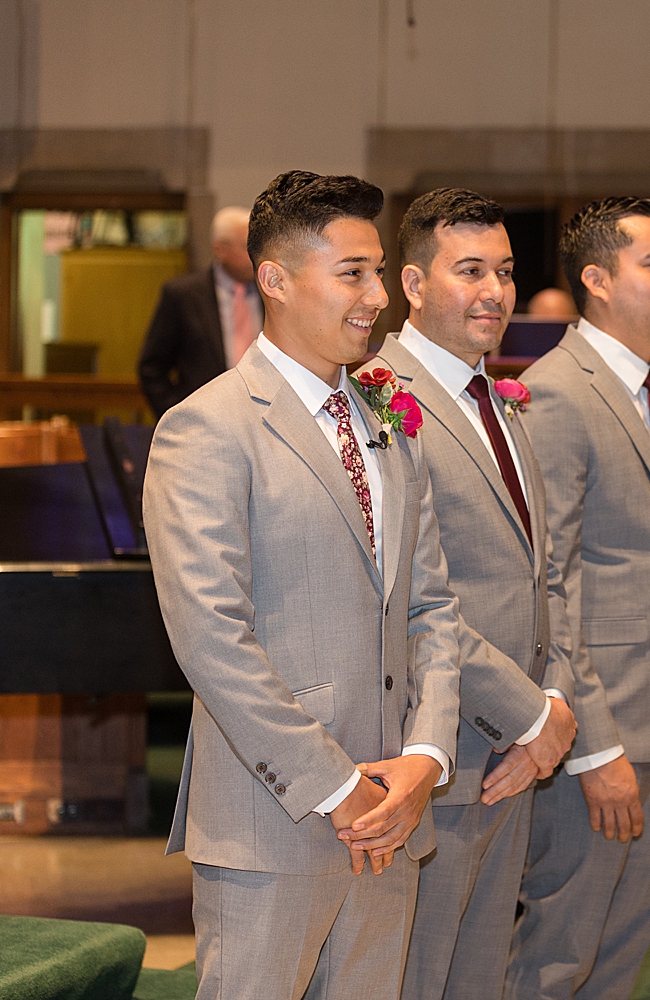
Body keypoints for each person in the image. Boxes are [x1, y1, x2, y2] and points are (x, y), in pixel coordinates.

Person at [141, 170, 463, 1000]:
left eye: (379, 270)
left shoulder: (388, 420)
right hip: (273, 821)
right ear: (275, 281)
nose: (378, 296)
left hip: (393, 814)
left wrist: (424, 759)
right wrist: (338, 784)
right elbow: (212, 637)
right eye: (352, 272)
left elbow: (429, 605)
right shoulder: (207, 428)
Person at [507, 196, 650, 999]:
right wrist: (596, 747)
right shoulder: (557, 393)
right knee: (558, 959)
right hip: (599, 740)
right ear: (598, 280)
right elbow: (552, 585)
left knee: (619, 955)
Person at [357, 187, 579, 1000]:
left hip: (515, 754)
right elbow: (415, 595)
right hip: (440, 746)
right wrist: (533, 715)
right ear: (412, 285)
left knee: (478, 977)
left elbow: (541, 573)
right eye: (471, 271)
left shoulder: (499, 398)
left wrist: (549, 706)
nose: (495, 292)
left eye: (506, 272)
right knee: (419, 977)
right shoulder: (379, 395)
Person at [138, 206, 263, 417]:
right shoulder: (183, 295)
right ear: (220, 249)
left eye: (258, 247)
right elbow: (152, 368)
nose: (256, 256)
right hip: (204, 420)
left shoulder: (273, 292)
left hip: (263, 418)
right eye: (247, 247)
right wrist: (176, 415)